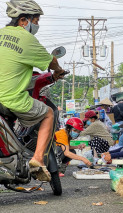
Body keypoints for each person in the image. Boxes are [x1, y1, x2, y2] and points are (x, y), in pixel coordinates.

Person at [0, 0, 66, 182]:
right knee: (48, 114)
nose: (36, 25)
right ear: (23, 21)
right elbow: (51, 62)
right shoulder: (27, 39)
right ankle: (37, 160)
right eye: (35, 21)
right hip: (11, 99)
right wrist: (58, 70)